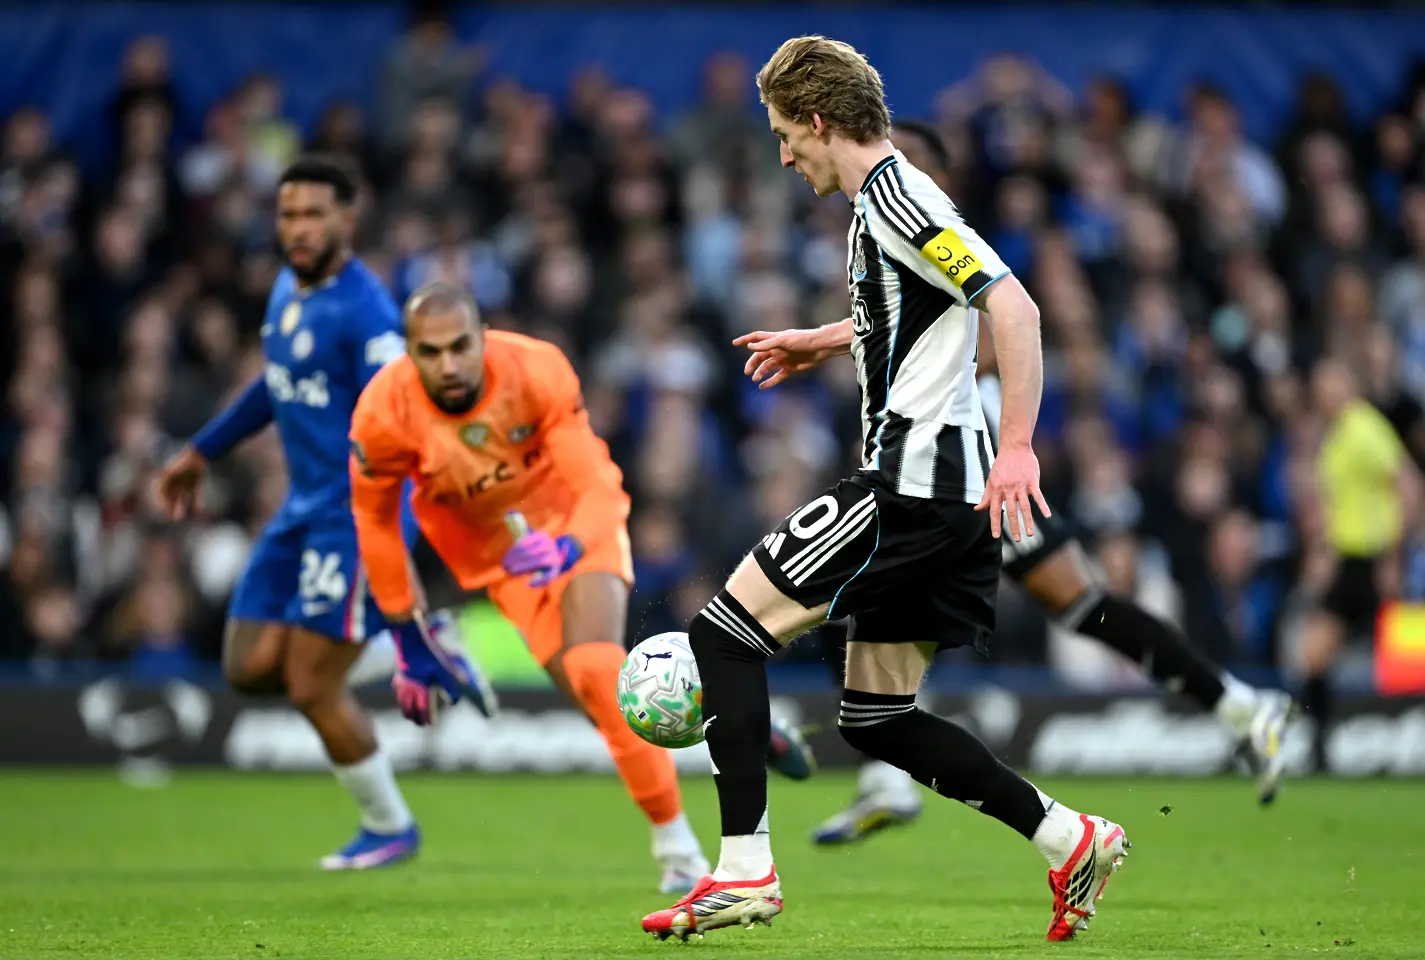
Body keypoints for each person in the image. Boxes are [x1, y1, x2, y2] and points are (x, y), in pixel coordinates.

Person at [641, 36, 1127, 943]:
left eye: (788, 135)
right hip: (942, 499)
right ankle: (1068, 837)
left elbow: (1010, 306)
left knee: (722, 636)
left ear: (822, 122)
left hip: (910, 488)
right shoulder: (888, 203)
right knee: (877, 716)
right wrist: (822, 340)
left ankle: (744, 871)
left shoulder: (896, 196)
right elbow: (922, 307)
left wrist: (1018, 444)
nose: (784, 155)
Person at [761, 120, 1293, 846]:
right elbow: (894, 330)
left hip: (969, 473)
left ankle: (1236, 707)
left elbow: (992, 330)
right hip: (958, 471)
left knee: (1046, 603)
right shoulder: (897, 238)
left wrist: (1011, 441)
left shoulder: (927, 226)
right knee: (1046, 605)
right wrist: (827, 339)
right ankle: (1237, 708)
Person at [154, 155, 493, 871]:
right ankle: (430, 644)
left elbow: (403, 427)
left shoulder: (368, 313)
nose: (297, 229)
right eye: (287, 215)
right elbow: (275, 387)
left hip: (352, 516)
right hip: (299, 510)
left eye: (312, 215)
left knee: (311, 686)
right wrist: (201, 451)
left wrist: (391, 536)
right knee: (248, 669)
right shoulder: (285, 288)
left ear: (348, 217)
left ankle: (389, 825)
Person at [346, 281, 710, 893]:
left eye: (460, 346)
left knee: (598, 668)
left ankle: (679, 849)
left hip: (576, 528)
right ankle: (726, 714)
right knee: (603, 704)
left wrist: (568, 544)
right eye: (429, 353)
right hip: (504, 565)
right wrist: (407, 638)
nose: (448, 364)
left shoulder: (535, 369)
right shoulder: (382, 413)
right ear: (408, 353)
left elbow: (596, 482)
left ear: (483, 337)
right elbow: (376, 524)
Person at [1299, 357, 1419, 771]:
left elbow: (1407, 485)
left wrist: (1393, 556)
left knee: (1405, 656)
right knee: (1314, 653)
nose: (1326, 393)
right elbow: (1340, 505)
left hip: (1373, 558)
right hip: (1349, 560)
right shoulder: (1336, 437)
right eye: (1321, 386)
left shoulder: (1365, 429)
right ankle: (1320, 753)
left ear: (1348, 386)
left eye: (1332, 384)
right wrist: (1326, 552)